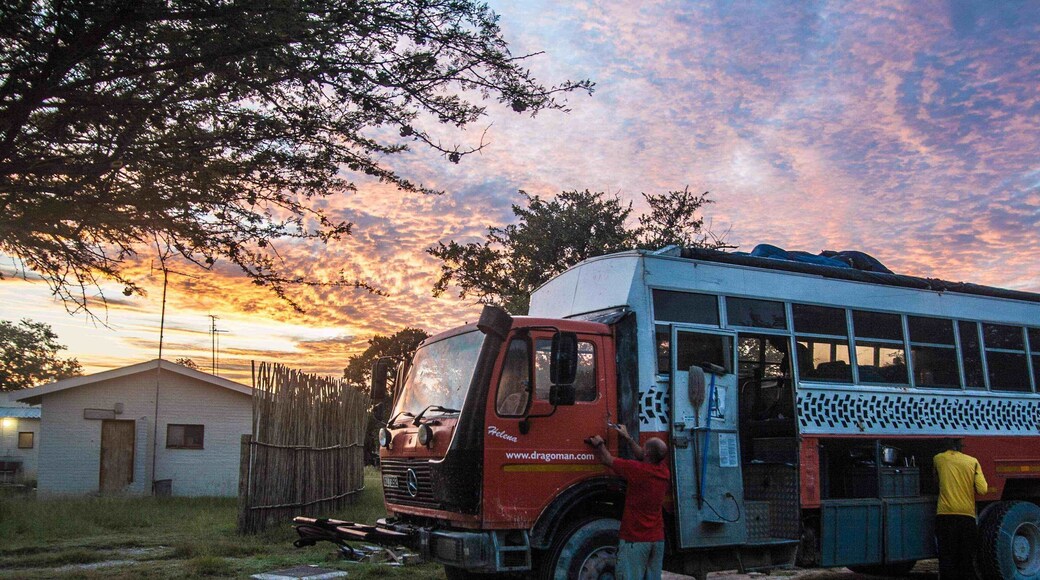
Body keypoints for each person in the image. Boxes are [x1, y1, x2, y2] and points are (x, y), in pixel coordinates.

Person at [586, 424, 670, 580]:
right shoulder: (663, 471)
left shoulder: (638, 471)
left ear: (648, 453)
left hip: (636, 539)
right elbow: (642, 455)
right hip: (657, 540)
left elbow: (606, 459)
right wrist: (627, 437)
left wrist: (599, 444)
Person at [933, 438, 988, 580]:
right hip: (966, 516)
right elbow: (983, 490)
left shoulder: (938, 459)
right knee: (965, 559)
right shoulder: (973, 462)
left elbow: (935, 480)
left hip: (945, 514)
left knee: (946, 558)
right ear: (961, 446)